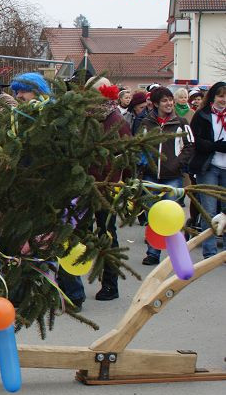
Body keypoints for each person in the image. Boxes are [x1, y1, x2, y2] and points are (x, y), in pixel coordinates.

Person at [10, 72, 86, 309]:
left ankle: (74, 294)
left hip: (55, 193)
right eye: (17, 91)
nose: (19, 96)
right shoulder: (20, 120)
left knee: (59, 241)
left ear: (40, 92)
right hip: (29, 192)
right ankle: (22, 295)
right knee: (27, 242)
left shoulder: (56, 121)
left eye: (24, 90)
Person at [136, 86, 195, 264]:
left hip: (173, 176)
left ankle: (176, 256)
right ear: (155, 103)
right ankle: (153, 253)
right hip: (150, 176)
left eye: (170, 100)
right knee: (152, 215)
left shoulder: (181, 122)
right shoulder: (146, 123)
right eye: (164, 100)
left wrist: (177, 163)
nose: (169, 103)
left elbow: (190, 146)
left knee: (171, 217)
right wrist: (143, 162)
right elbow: (138, 145)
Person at [89, 82, 134, 299]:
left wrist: (122, 182)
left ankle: (110, 283)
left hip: (106, 187)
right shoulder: (85, 118)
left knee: (106, 233)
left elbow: (126, 157)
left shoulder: (116, 121)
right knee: (81, 232)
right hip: (84, 186)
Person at [188, 81, 226, 259]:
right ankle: (209, 253)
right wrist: (216, 146)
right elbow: (197, 141)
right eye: (220, 96)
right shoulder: (202, 115)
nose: (223, 100)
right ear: (213, 97)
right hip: (209, 166)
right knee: (208, 210)